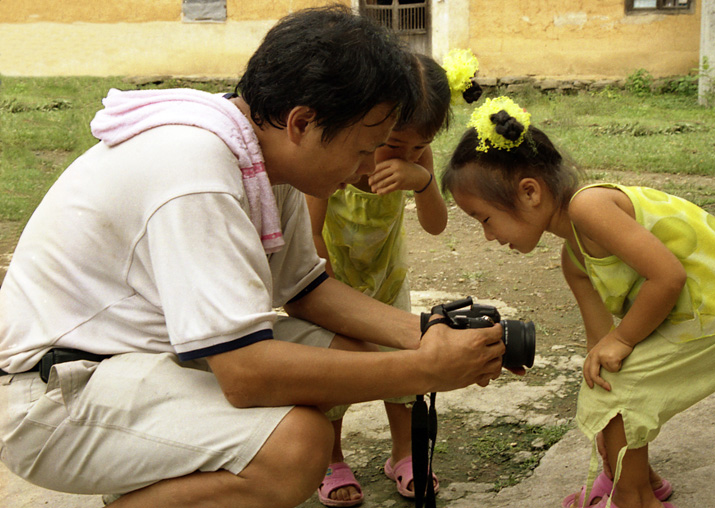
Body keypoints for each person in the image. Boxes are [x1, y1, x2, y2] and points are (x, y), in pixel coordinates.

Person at [0, 7, 507, 508]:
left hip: (134, 354)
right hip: (54, 395)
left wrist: (426, 332)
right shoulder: (195, 169)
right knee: (295, 447)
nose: (369, 168)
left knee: (351, 356)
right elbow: (247, 375)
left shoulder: (257, 153)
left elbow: (305, 291)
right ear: (302, 123)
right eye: (362, 150)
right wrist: (426, 371)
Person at [439, 96, 715, 508]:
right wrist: (605, 373)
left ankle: (634, 498)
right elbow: (603, 346)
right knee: (606, 381)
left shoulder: (589, 206)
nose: (487, 235)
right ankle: (634, 479)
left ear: (530, 192)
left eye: (484, 219)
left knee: (619, 384)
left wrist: (624, 340)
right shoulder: (573, 259)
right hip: (701, 311)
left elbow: (668, 277)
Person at [306, 50, 481, 507]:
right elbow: (310, 236)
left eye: (417, 147)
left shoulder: (416, 160)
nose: (402, 155)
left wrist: (422, 179)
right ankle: (332, 458)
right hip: (334, 282)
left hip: (387, 278)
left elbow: (437, 225)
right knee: (333, 373)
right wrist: (326, 294)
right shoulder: (339, 163)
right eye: (392, 144)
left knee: (406, 368)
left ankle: (404, 453)